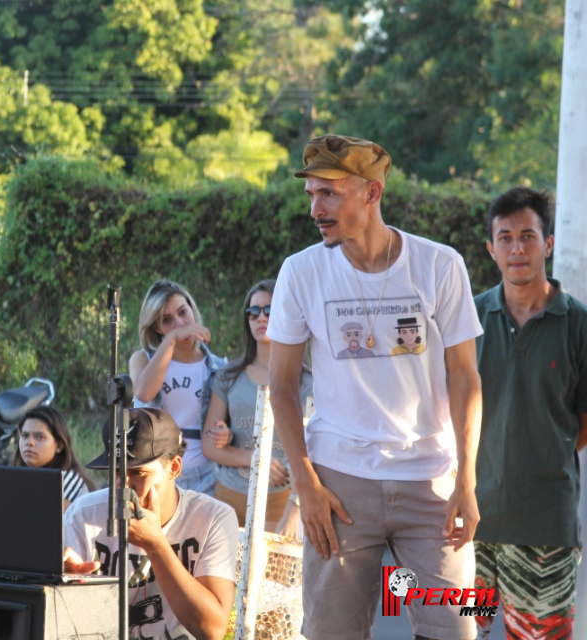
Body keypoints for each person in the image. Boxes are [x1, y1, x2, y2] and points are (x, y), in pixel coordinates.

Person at [267, 134, 483, 640]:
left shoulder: (439, 264)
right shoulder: (300, 272)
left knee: (455, 630)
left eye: (330, 194)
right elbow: (281, 384)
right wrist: (306, 485)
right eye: (312, 195)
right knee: (331, 633)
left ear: (372, 192)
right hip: (339, 484)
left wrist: (468, 482)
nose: (316, 209)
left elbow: (466, 377)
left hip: (431, 480)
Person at [472, 187, 587, 639]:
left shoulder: (578, 324)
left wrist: (538, 450)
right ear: (490, 248)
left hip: (545, 526)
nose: (517, 248)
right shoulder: (468, 318)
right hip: (467, 523)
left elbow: (582, 421)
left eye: (528, 236)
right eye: (505, 238)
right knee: (455, 632)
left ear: (549, 243)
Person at [63, 407, 238, 640]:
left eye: (138, 473)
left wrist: (155, 544)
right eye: (115, 472)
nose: (122, 486)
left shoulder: (212, 518)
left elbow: (212, 630)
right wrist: (64, 585)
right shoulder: (84, 515)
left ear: (174, 468)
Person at [201, 279, 311, 535]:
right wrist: (256, 461)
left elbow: (312, 451)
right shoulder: (227, 376)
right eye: (253, 312)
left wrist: (294, 508)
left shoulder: (305, 381)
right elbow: (210, 446)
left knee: (274, 575)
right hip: (228, 498)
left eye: (269, 311)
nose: (261, 318)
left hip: (280, 502)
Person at [129, 280, 226, 497]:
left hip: (207, 476)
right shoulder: (142, 359)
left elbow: (231, 428)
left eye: (183, 312)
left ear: (192, 309)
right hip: (157, 474)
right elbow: (143, 392)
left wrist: (225, 433)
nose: (180, 323)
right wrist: (172, 340)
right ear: (156, 327)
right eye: (167, 320)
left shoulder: (219, 368)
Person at [10, 406, 97, 509]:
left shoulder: (65, 480)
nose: (29, 442)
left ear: (59, 445)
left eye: (39, 437)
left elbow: (52, 524)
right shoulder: (19, 476)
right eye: (25, 435)